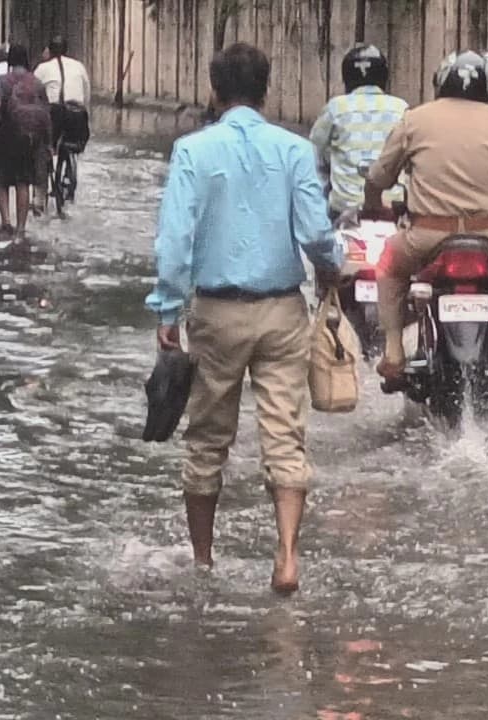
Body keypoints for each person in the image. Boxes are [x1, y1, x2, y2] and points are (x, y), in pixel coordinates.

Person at [145, 42, 342, 595]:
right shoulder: (295, 149)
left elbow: (175, 240)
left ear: (214, 91)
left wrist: (167, 308)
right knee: (286, 435)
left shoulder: (192, 150)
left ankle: (203, 561)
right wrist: (332, 270)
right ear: (266, 91)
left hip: (216, 313)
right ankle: (287, 556)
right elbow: (316, 233)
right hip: (283, 310)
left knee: (207, 440)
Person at [364, 50, 488, 397]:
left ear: (441, 83)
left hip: (426, 237)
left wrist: (372, 206)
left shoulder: (415, 120)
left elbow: (377, 179)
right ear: (487, 87)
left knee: (388, 265)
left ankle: (394, 351)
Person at [309, 44, 408, 218]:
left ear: (346, 77)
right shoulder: (401, 109)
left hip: (344, 209)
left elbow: (315, 153)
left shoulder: (336, 108)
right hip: (392, 208)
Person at [0, 43, 51, 239]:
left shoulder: (3, 81)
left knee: (2, 181)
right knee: (23, 182)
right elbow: (46, 113)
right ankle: (21, 227)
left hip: (5, 136)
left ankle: (6, 222)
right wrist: (47, 143)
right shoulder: (37, 83)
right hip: (28, 140)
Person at [33, 35, 91, 206]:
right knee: (75, 143)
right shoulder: (79, 66)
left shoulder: (42, 68)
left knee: (42, 148)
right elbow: (86, 95)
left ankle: (39, 196)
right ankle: (68, 175)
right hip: (78, 114)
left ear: (49, 51)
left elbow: (34, 93)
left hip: (55, 113)